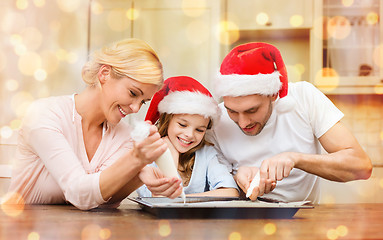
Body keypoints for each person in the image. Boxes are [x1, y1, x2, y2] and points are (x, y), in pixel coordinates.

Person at [4, 38, 178, 210]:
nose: (135, 108)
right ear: (104, 74)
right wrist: (136, 160)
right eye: (133, 93)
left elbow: (102, 200)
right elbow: (78, 193)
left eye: (143, 102)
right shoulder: (44, 114)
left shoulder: (124, 134)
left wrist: (138, 175)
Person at [206, 42, 372, 203]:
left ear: (273, 94)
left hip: (302, 220)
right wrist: (236, 179)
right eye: (232, 111)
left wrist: (296, 159)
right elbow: (207, 186)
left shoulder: (304, 97)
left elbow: (361, 166)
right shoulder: (216, 120)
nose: (242, 123)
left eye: (252, 110)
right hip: (240, 222)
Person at [137, 76, 239, 198]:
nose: (190, 135)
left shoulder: (206, 154)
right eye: (182, 124)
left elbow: (230, 192)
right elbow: (158, 199)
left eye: (199, 130)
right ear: (167, 120)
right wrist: (171, 158)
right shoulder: (147, 156)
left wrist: (183, 199)